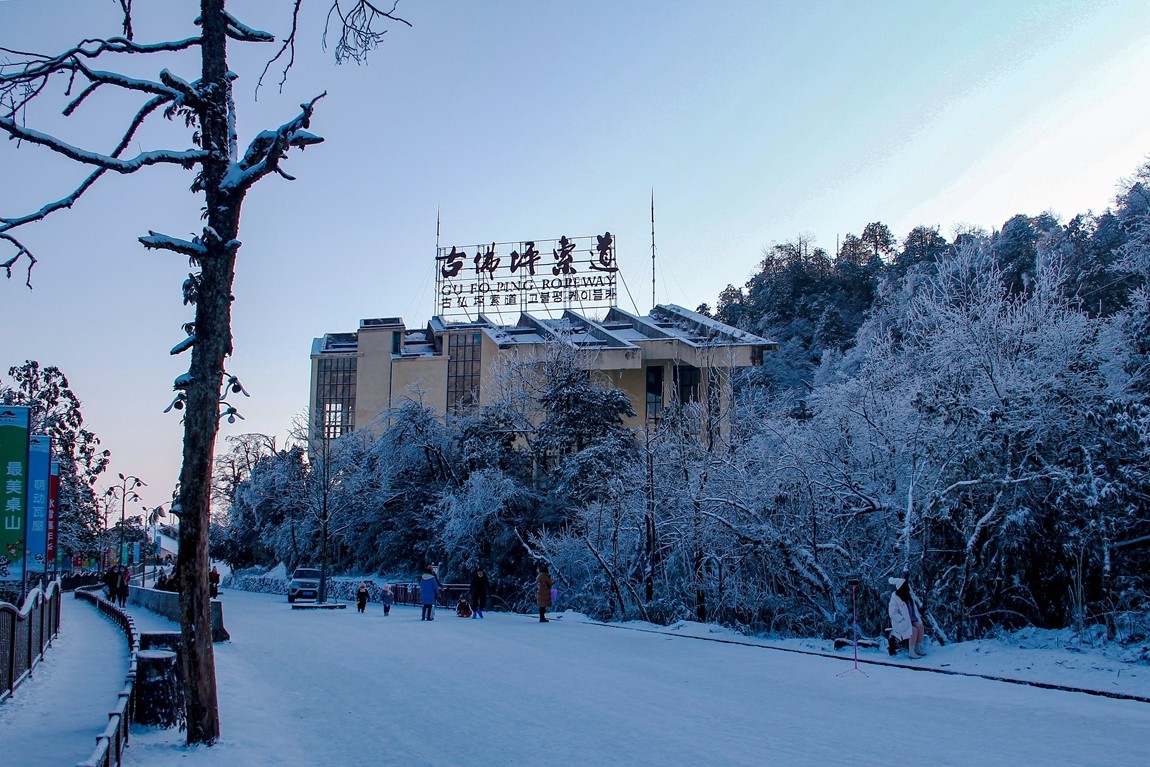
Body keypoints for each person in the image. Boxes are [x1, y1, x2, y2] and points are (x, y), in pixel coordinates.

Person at [889, 576, 926, 658]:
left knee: (920, 626)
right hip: (901, 623)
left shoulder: (909, 597)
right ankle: (911, 651)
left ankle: (918, 647)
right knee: (913, 630)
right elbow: (893, 613)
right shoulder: (895, 599)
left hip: (911, 620)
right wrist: (902, 620)